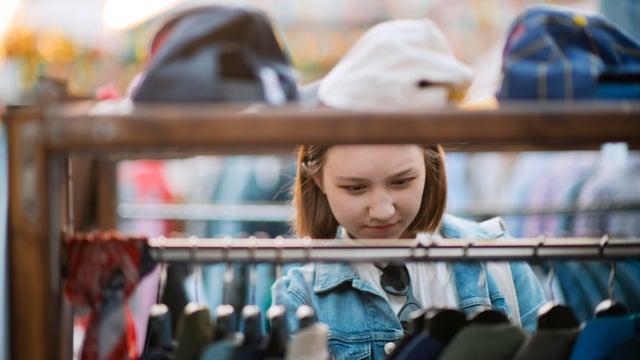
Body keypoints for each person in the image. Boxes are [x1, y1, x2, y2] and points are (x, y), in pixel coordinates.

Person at [271, 18, 546, 359]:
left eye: (402, 181)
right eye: (356, 188)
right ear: (317, 180)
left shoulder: (499, 260)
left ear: (430, 166)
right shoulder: (299, 297)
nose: (383, 210)